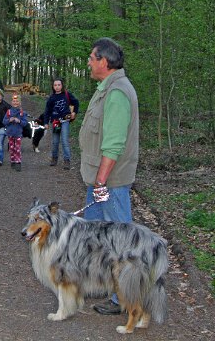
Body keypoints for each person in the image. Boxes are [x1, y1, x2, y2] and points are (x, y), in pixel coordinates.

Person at [78, 38, 139, 316]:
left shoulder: (117, 93)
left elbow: (113, 144)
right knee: (95, 236)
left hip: (110, 183)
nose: (89, 62)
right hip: (100, 181)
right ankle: (103, 285)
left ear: (104, 61)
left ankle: (124, 297)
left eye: (92, 58)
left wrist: (101, 182)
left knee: (119, 241)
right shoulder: (107, 88)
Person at [44, 78, 79, 170]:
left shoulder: (67, 94)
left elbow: (76, 102)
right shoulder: (51, 98)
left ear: (62, 85)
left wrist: (74, 112)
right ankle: (54, 158)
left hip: (65, 121)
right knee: (55, 142)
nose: (57, 87)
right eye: (55, 85)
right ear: (53, 86)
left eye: (59, 85)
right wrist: (46, 122)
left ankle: (67, 160)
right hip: (55, 122)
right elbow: (47, 111)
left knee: (64, 141)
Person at [3, 94, 28, 171]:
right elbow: (4, 121)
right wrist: (9, 120)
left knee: (17, 148)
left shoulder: (22, 113)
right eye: (14, 101)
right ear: (11, 102)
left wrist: (19, 121)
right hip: (10, 133)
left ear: (20, 103)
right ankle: (12, 161)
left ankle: (18, 162)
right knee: (11, 148)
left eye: (17, 101)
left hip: (18, 134)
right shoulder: (9, 112)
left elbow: (25, 123)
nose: (15, 103)